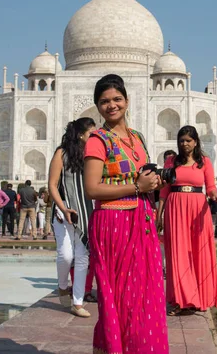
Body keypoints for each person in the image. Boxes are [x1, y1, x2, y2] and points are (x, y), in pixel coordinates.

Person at [84, 74, 168, 353]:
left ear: (127, 101)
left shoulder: (137, 138)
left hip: (141, 221)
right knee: (119, 296)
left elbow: (141, 177)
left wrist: (151, 184)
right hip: (114, 223)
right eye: (104, 101)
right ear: (97, 106)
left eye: (117, 99)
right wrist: (136, 185)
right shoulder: (98, 139)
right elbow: (92, 189)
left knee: (146, 294)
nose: (112, 105)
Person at [159, 125, 217, 315]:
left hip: (197, 208)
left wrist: (214, 196)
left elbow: (210, 186)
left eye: (188, 140)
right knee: (178, 254)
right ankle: (181, 300)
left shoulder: (204, 162)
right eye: (181, 140)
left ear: (195, 142)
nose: (184, 144)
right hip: (175, 207)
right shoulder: (171, 161)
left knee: (197, 252)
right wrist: (158, 215)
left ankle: (199, 297)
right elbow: (164, 190)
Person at [48, 117, 97, 318]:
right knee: (66, 255)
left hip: (86, 213)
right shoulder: (62, 153)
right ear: (80, 134)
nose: (95, 137)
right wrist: (62, 208)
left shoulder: (92, 156)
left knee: (83, 258)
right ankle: (62, 287)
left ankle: (77, 302)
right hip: (63, 213)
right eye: (91, 134)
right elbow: (52, 184)